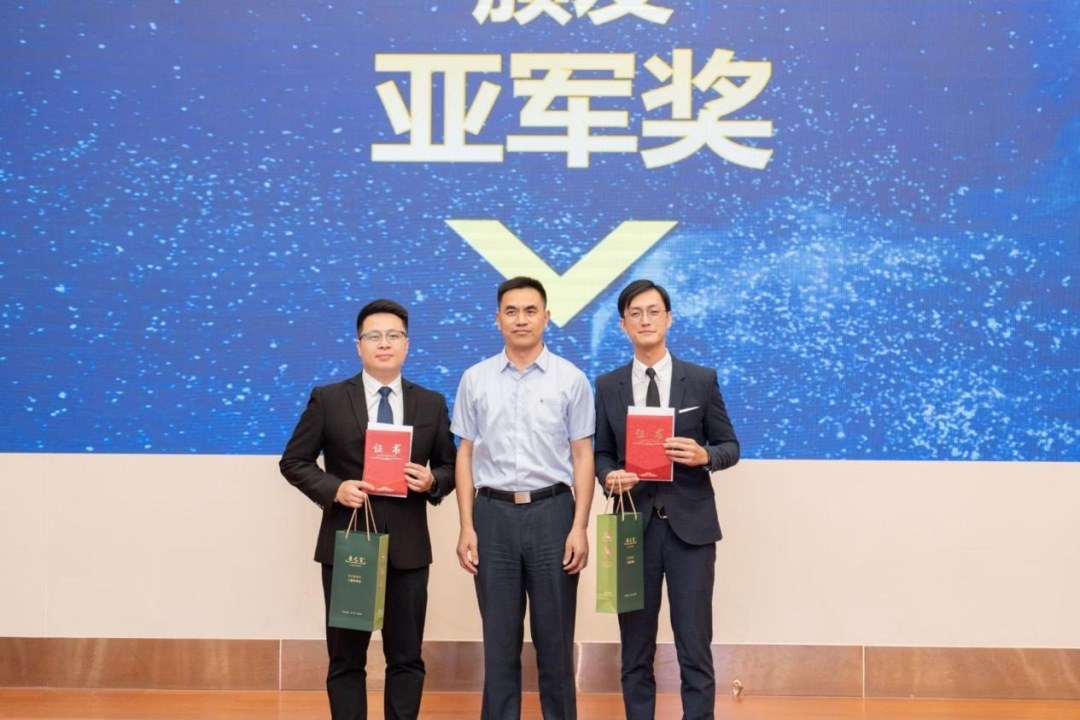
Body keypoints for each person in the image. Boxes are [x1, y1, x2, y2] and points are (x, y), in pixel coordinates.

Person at [279, 299, 456, 720]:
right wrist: (335, 488)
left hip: (408, 550)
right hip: (349, 546)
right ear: (358, 345)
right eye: (373, 336)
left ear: (407, 344)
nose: (384, 343)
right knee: (346, 659)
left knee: (407, 658)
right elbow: (294, 461)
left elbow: (451, 467)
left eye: (393, 335)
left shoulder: (430, 403)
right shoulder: (328, 399)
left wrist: (432, 481)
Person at [593, 279, 740, 720]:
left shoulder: (701, 380)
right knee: (635, 647)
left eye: (653, 311)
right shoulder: (609, 385)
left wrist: (704, 456)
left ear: (669, 318)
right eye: (635, 313)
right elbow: (602, 452)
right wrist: (608, 476)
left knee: (694, 643)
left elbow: (730, 446)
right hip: (631, 530)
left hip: (690, 530)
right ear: (623, 324)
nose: (645, 320)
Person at [452, 276, 595, 720]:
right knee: (499, 642)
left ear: (546, 317)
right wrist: (466, 525)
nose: (521, 319)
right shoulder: (475, 379)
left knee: (555, 640)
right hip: (492, 515)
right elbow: (465, 454)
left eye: (530, 311)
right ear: (497, 319)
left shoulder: (571, 379)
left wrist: (579, 527)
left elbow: (582, 455)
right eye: (511, 311)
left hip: (554, 514)